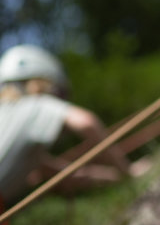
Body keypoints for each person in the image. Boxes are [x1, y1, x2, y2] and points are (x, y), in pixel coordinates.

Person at [0, 45, 142, 214]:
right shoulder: (32, 106)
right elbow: (86, 122)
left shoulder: (12, 126)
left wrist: (119, 177)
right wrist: (128, 173)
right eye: (58, 94)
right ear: (42, 84)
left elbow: (67, 176)